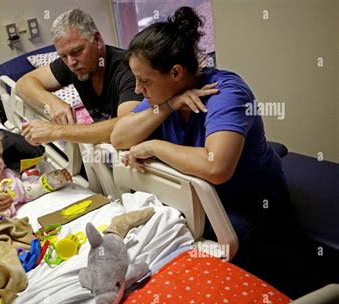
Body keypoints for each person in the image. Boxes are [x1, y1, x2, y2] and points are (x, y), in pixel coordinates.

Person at [110, 7, 289, 243]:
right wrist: (169, 106)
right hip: (203, 202)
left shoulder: (225, 93)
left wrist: (153, 147)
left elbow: (216, 168)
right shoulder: (164, 97)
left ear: (176, 73)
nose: (137, 89)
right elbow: (118, 138)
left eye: (144, 81)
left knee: (188, 245)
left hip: (252, 202)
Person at [17, 8, 144, 146]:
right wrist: (51, 102)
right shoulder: (73, 64)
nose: (71, 63)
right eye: (63, 56)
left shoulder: (128, 70)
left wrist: (57, 131)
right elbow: (23, 84)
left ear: (97, 40)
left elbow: (127, 126)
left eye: (77, 51)